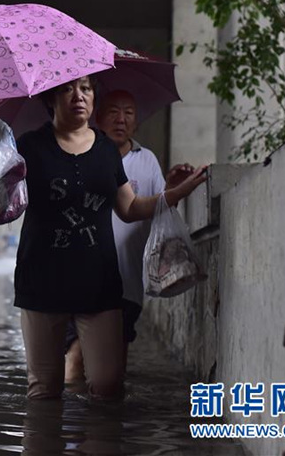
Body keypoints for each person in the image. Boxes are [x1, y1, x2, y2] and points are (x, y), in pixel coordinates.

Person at [0, 76, 206, 400]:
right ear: (51, 100)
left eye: (86, 89)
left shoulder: (105, 149)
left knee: (107, 384)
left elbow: (130, 207)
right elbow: (3, 207)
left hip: (99, 285)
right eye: (67, 89)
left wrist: (179, 191)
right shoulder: (29, 148)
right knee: (43, 389)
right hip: (42, 283)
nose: (79, 96)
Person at [63, 90, 197, 382]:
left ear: (137, 122)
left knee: (116, 363)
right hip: (83, 276)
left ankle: (108, 423)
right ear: (98, 117)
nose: (121, 119)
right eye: (113, 112)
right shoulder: (80, 155)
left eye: (129, 113)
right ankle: (68, 424)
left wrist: (173, 188)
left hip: (127, 281)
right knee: (75, 355)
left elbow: (158, 207)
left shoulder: (145, 160)